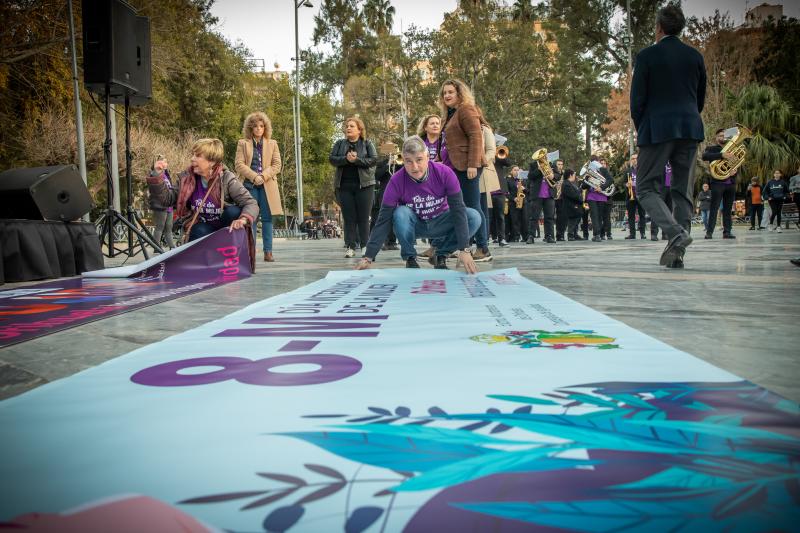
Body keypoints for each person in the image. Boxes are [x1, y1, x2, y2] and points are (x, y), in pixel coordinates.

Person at [630, 3, 706, 268]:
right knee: (682, 191)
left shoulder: (647, 56)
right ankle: (677, 255)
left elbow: (636, 101)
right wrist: (688, 120)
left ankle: (676, 234)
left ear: (658, 28)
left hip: (657, 128)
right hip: (689, 128)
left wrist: (644, 128)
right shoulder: (695, 56)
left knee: (645, 187)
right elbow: (700, 98)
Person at [355, 136, 480, 273]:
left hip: (441, 221)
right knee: (400, 213)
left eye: (419, 160)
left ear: (427, 157)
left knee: (474, 217)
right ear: (403, 159)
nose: (414, 167)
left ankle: (441, 254)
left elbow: (458, 210)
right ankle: (410, 258)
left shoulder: (445, 173)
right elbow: (383, 220)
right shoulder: (396, 181)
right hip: (415, 225)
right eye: (408, 161)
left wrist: (464, 248)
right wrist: (369, 257)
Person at [146, 138, 258, 243]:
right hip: (201, 224)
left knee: (234, 212)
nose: (192, 159)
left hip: (225, 227)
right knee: (199, 231)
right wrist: (156, 175)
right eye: (193, 155)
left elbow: (251, 203)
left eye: (198, 156)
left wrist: (243, 219)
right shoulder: (186, 178)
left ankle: (231, 251)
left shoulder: (227, 178)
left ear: (212, 162)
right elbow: (166, 200)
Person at [439, 79, 492, 262]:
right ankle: (463, 245)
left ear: (460, 94)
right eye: (445, 93)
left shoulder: (466, 109)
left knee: (473, 207)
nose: (447, 95)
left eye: (451, 92)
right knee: (460, 208)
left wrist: (472, 164)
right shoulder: (450, 114)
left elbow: (476, 136)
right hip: (453, 168)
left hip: (466, 167)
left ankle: (483, 248)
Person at [235, 112, 283, 262]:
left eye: (261, 126)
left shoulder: (273, 143)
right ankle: (251, 252)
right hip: (249, 186)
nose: (258, 129)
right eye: (255, 126)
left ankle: (268, 252)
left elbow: (277, 165)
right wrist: (254, 176)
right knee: (251, 219)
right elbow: (239, 164)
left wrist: (263, 176)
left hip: (268, 186)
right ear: (250, 128)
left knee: (268, 219)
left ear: (265, 127)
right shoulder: (243, 143)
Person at [329, 117, 377, 258]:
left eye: (351, 126)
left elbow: (373, 160)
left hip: (365, 185)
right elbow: (332, 159)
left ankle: (364, 246)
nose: (348, 128)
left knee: (363, 218)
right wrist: (346, 159)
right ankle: (350, 246)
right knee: (349, 218)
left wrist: (356, 160)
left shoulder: (367, 143)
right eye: (347, 126)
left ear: (359, 130)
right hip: (344, 186)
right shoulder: (339, 144)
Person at [702, 128, 737, 239]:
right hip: (718, 183)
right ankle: (709, 232)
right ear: (716, 138)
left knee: (727, 209)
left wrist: (734, 171)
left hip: (730, 183)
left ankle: (727, 232)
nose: (722, 137)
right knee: (714, 208)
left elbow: (736, 162)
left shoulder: (732, 148)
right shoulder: (712, 149)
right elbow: (704, 156)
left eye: (724, 136)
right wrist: (721, 155)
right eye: (720, 136)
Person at [478, 111, 503, 247]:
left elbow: (491, 152)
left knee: (483, 208)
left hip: (483, 171)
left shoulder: (485, 130)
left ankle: (484, 242)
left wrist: (479, 163)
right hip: (466, 172)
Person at [147, 154, 175, 250]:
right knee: (160, 226)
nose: (166, 163)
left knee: (168, 227)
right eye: (164, 161)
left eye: (166, 161)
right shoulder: (155, 174)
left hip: (169, 205)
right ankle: (156, 247)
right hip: (160, 205)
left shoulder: (167, 174)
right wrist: (156, 170)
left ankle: (172, 246)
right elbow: (154, 181)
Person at [527, 155, 557, 244]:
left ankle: (549, 236)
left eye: (544, 156)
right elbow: (530, 176)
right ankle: (531, 236)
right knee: (534, 217)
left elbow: (558, 175)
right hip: (537, 194)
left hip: (549, 194)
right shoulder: (533, 165)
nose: (543, 158)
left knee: (549, 217)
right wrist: (539, 170)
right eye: (541, 156)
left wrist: (553, 175)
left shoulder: (551, 164)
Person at [624, 153, 646, 239]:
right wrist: (626, 184)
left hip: (641, 195)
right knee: (631, 216)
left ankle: (642, 233)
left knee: (642, 215)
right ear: (631, 160)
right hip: (630, 196)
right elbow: (623, 182)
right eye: (633, 159)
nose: (634, 160)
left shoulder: (643, 170)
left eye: (636, 158)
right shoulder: (627, 171)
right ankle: (632, 234)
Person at [560, 169, 584, 240]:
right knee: (572, 219)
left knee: (576, 218)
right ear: (570, 175)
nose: (575, 176)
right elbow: (573, 195)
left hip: (575, 204)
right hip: (570, 205)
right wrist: (580, 197)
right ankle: (570, 234)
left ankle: (574, 233)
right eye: (574, 175)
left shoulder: (571, 183)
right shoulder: (566, 184)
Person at [790, 165, 800, 229]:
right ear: (798, 170)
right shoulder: (794, 178)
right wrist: (797, 186)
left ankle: (799, 222)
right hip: (798, 194)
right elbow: (790, 187)